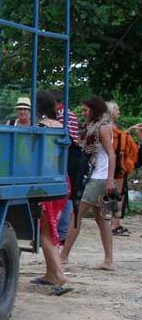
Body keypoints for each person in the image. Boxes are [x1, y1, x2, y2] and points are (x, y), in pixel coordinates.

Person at [60, 95, 115, 271]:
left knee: (76, 214)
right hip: (97, 176)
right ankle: (108, 260)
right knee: (102, 219)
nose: (83, 113)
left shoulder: (103, 128)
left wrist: (110, 180)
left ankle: (64, 256)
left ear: (94, 109)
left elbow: (111, 154)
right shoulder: (94, 126)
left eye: (85, 110)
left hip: (99, 177)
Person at [32, 90, 72, 295]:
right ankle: (50, 273)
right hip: (62, 181)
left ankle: (58, 275)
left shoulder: (40, 127)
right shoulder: (61, 127)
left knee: (44, 233)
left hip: (45, 183)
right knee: (50, 229)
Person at [48, 88, 81, 241]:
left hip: (69, 154)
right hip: (71, 153)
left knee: (67, 192)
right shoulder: (68, 114)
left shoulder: (63, 116)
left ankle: (62, 232)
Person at [106, 101, 129, 236]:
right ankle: (114, 223)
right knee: (116, 194)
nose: (119, 112)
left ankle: (114, 222)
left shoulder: (108, 127)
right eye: (117, 110)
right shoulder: (109, 127)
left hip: (115, 163)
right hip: (116, 164)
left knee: (114, 194)